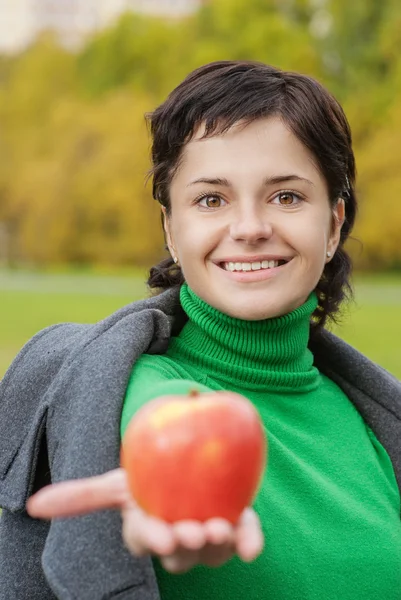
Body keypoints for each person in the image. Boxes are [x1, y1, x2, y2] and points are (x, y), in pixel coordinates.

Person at [1, 60, 400, 600]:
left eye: (287, 196)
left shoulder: (375, 422)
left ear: (333, 223)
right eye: (212, 199)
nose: (251, 228)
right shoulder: (131, 386)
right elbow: (159, 416)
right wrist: (165, 495)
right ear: (171, 227)